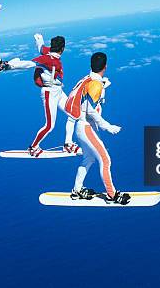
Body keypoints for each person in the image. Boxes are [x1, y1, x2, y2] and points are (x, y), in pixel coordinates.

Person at [65, 52, 130, 205]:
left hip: (81, 127)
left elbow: (86, 97)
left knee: (89, 159)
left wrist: (103, 84)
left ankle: (77, 190)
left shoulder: (88, 79)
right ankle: (112, 195)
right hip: (86, 128)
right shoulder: (95, 85)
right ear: (105, 66)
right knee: (105, 160)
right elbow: (90, 110)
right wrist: (107, 127)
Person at [28, 34, 80, 157]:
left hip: (58, 91)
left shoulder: (49, 52)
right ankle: (33, 147)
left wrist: (39, 39)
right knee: (50, 126)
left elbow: (41, 48)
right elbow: (29, 64)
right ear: (63, 48)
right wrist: (9, 66)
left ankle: (68, 144)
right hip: (49, 93)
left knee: (74, 113)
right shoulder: (48, 59)